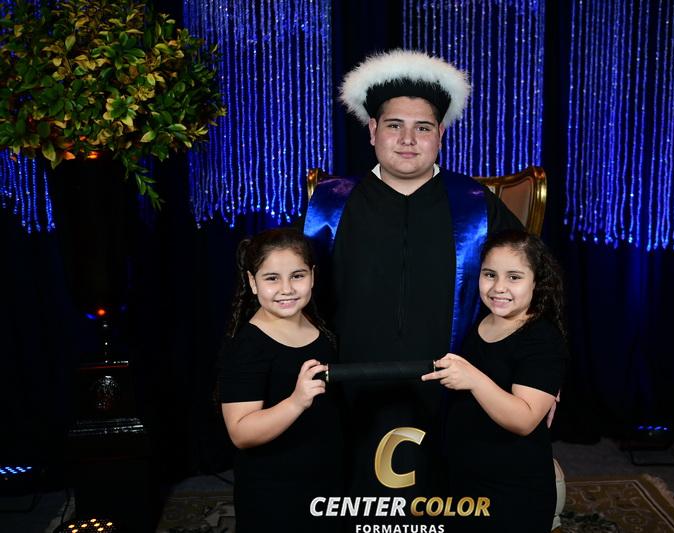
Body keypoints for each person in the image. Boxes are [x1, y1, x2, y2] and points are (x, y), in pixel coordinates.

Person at [304, 49, 524, 497]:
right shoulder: (330, 204)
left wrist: (538, 379)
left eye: (423, 128)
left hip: (453, 383)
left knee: (449, 503)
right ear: (372, 131)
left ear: (440, 134)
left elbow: (531, 289)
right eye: (394, 126)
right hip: (350, 385)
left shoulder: (476, 205)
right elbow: (294, 298)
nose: (408, 139)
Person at [422, 229, 567, 532]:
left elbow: (524, 420)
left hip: (511, 490)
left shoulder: (541, 338)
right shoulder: (483, 319)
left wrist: (474, 379)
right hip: (464, 480)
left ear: (536, 281)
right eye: (490, 275)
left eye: (514, 277)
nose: (499, 287)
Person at [217, 229, 342, 533]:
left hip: (324, 479)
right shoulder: (248, 347)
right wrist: (295, 402)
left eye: (297, 276)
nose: (286, 289)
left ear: (312, 276)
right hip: (276, 492)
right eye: (272, 278)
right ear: (252, 282)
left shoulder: (315, 324)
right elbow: (241, 432)